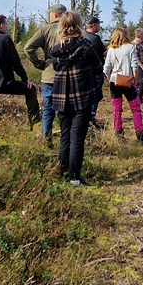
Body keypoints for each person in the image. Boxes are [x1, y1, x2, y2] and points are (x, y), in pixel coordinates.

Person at [49, 11, 103, 185]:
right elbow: (97, 67)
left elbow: (56, 68)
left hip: (60, 96)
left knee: (65, 136)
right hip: (82, 96)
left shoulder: (56, 49)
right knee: (77, 138)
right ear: (78, 24)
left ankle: (63, 171)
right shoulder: (86, 45)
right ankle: (74, 177)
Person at [24, 3, 66, 147]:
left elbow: (28, 48)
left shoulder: (45, 29)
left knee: (48, 110)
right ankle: (64, 142)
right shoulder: (72, 29)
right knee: (65, 111)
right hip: (67, 76)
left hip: (49, 74)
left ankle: (46, 141)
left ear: (54, 14)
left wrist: (40, 64)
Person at [102, 27, 143, 143]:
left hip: (115, 81)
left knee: (116, 110)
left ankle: (118, 134)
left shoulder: (111, 50)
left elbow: (106, 69)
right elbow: (134, 66)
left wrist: (111, 80)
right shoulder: (130, 48)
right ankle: (140, 134)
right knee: (135, 108)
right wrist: (135, 80)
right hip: (129, 81)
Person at [84, 16, 108, 127]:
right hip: (96, 70)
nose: (99, 26)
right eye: (98, 24)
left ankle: (85, 117)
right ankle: (91, 118)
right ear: (93, 25)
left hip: (84, 71)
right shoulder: (95, 38)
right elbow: (104, 53)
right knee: (95, 95)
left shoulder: (82, 35)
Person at [133, 28, 143, 102]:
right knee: (142, 81)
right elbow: (135, 55)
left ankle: (139, 99)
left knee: (142, 82)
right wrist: (140, 65)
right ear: (140, 34)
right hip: (139, 65)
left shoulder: (140, 42)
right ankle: (138, 99)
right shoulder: (136, 43)